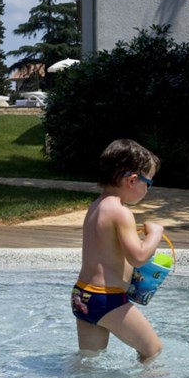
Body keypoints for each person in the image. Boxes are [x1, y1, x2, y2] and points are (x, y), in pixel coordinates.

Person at [72, 139, 165, 363]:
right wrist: (155, 234)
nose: (147, 190)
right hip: (107, 299)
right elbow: (139, 257)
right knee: (152, 350)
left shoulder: (96, 206)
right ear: (133, 180)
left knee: (90, 360)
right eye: (148, 184)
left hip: (82, 296)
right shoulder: (120, 211)